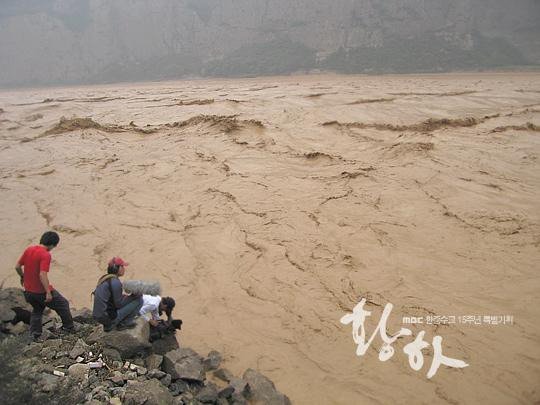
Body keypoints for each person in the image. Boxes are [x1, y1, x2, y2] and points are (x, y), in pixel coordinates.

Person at [15, 231, 74, 340]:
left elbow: (17, 266)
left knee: (37, 310)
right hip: (40, 292)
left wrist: (22, 276)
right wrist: (48, 292)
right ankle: (69, 328)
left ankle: (34, 334)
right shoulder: (45, 254)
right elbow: (42, 274)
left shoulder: (29, 250)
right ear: (52, 244)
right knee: (63, 304)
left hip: (28, 291)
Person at [92, 257, 142, 332]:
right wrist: (133, 296)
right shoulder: (115, 282)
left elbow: (111, 299)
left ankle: (109, 324)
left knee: (129, 299)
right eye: (122, 266)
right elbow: (119, 305)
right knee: (139, 300)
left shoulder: (104, 279)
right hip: (108, 318)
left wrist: (126, 297)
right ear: (116, 268)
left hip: (99, 316)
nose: (124, 269)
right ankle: (123, 323)